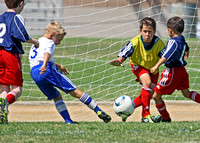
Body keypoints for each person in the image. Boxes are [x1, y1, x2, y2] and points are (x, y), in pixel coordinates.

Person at [29, 22, 111, 124]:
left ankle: (68, 121)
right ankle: (98, 111)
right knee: (75, 91)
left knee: (56, 96)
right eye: (59, 39)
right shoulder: (50, 42)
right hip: (46, 70)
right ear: (51, 35)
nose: (59, 43)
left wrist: (58, 66)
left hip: (34, 74)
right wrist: (45, 65)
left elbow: (38, 59)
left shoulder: (38, 42)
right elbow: (47, 53)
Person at [110, 17, 165, 123]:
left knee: (151, 94)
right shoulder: (135, 42)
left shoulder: (159, 44)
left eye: (150, 32)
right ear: (140, 31)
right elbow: (124, 52)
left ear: (154, 31)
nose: (147, 34)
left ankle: (126, 109)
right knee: (147, 82)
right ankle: (145, 116)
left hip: (153, 69)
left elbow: (165, 57)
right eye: (145, 31)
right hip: (138, 66)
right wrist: (119, 60)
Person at [150, 16, 200, 122]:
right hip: (182, 71)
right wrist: (186, 52)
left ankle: (165, 118)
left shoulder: (173, 42)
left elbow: (166, 56)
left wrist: (156, 66)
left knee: (156, 95)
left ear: (170, 30)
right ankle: (165, 118)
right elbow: (186, 47)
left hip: (172, 72)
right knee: (186, 93)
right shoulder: (181, 39)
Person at [0, 0, 39, 124]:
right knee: (17, 90)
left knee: (4, 89)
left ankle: (2, 117)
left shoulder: (0, 17)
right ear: (21, 3)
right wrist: (35, 42)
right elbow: (22, 35)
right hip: (10, 53)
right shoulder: (16, 17)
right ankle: (4, 103)